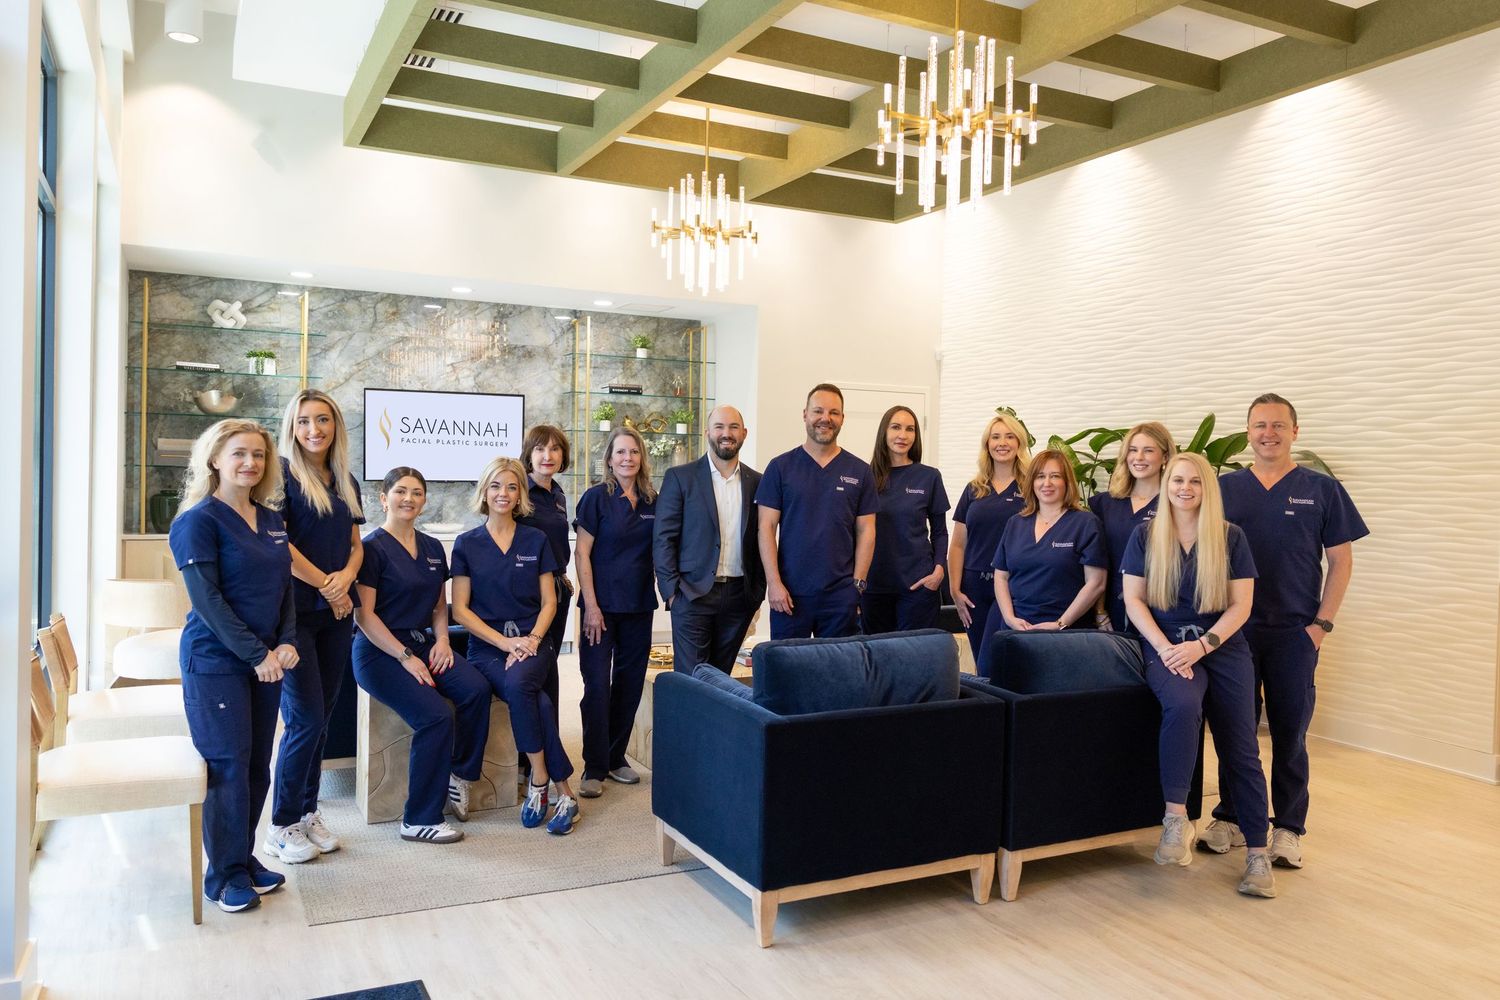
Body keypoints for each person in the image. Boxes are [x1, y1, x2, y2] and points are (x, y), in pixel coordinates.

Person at [1202, 394, 1368, 868]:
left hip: (1295, 632)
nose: (1268, 433)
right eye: (1259, 425)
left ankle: (1289, 828)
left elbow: (1341, 561)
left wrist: (1321, 625)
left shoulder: (1321, 490)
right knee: (1236, 729)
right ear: (1248, 432)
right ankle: (1231, 816)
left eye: (1278, 425)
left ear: (1296, 431)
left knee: (1289, 733)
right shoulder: (1224, 488)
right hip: (1233, 630)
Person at [1122, 451, 1276, 898]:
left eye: (1194, 481)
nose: (1184, 488)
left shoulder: (1230, 538)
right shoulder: (1146, 535)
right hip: (1166, 647)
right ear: (1166, 485)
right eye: (1176, 481)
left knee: (1241, 745)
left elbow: (1241, 605)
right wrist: (1168, 649)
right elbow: (1134, 601)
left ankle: (1257, 855)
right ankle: (1175, 821)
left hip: (1221, 647)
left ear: (1207, 488)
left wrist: (1203, 644)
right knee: (1183, 705)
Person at [168, 419, 297, 913]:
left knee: (254, 764)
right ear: (214, 459)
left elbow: (284, 587)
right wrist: (258, 654)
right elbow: (208, 602)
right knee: (227, 766)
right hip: (217, 661)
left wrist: (285, 643)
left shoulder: (270, 519)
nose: (250, 463)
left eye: (258, 455)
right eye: (239, 453)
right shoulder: (197, 521)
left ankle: (242, 859)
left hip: (265, 661)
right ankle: (222, 876)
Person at [352, 468, 490, 845]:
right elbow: (363, 615)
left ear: (424, 500)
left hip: (425, 644)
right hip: (380, 652)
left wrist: (443, 641)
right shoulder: (371, 548)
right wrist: (405, 656)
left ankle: (459, 773)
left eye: (416, 492)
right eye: (400, 491)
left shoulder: (431, 548)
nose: (408, 499)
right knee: (435, 717)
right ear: (383, 498)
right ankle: (418, 819)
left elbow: (436, 606)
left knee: (476, 688)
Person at [451, 456, 582, 835]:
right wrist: (505, 643)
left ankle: (539, 783)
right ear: (484, 492)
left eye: (511, 486)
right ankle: (557, 788)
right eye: (495, 486)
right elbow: (460, 609)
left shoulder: (535, 540)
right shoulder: (466, 544)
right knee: (535, 698)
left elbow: (550, 602)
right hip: (489, 648)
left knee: (523, 684)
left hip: (534, 641)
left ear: (521, 493)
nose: (503, 494)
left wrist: (533, 640)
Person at [264, 390, 363, 865]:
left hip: (337, 614)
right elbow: (279, 544)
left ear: (335, 425)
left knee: (322, 718)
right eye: (304, 421)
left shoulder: (344, 478)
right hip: (294, 615)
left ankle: (307, 811)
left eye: (323, 420)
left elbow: (355, 543)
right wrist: (328, 583)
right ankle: (281, 824)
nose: (314, 430)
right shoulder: (280, 475)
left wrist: (345, 579)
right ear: (293, 426)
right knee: (303, 719)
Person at [572, 428, 657, 799]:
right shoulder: (596, 498)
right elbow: (582, 554)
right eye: (620, 452)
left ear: (642, 458)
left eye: (634, 452)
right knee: (595, 685)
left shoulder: (654, 500)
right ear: (609, 459)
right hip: (600, 609)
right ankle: (593, 766)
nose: (627, 458)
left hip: (639, 605)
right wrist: (591, 605)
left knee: (630, 682)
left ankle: (615, 756)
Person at [756, 384, 878, 639]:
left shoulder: (860, 471)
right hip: (789, 595)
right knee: (789, 674)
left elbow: (867, 530)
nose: (826, 418)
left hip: (840, 597)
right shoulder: (780, 467)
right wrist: (774, 584)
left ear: (842, 418)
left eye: (834, 412)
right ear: (805, 414)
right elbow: (766, 528)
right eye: (818, 411)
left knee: (837, 674)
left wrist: (857, 585)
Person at [654, 405, 764, 674]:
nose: (726, 433)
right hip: (692, 594)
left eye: (733, 427)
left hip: (740, 596)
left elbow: (763, 537)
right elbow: (663, 537)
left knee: (721, 678)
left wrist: (757, 593)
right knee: (692, 678)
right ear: (707, 433)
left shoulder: (758, 481)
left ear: (744, 433)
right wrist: (671, 593)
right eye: (719, 427)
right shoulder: (680, 478)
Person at [983, 450, 1106, 670]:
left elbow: (1096, 583)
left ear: (1067, 481)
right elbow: (1001, 577)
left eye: (1055, 476)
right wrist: (1010, 618)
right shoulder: (1016, 523)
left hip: (1065, 632)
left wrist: (1060, 623)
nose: (1046, 483)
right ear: (1031, 482)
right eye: (1040, 476)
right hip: (1016, 629)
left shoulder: (1085, 523)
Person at [949, 413, 1031, 660]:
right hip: (973, 587)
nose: (1002, 443)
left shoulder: (1031, 487)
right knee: (979, 656)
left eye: (1009, 436)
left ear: (1019, 443)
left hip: (1013, 586)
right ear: (987, 444)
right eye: (995, 437)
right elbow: (958, 545)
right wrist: (954, 590)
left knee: (996, 658)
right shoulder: (975, 488)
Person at [865, 405, 949, 633]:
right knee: (878, 659)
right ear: (884, 432)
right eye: (896, 427)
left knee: (914, 659)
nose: (903, 435)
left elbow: (940, 531)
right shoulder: (865, 476)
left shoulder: (929, 477)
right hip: (873, 587)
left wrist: (939, 570)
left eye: (910, 429)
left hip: (918, 586)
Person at [1089, 422, 1175, 633]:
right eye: (1133, 450)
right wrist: (1099, 611)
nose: (1138, 458)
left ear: (1165, 457)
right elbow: (1097, 563)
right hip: (1112, 609)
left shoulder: (1175, 503)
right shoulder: (1105, 504)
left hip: (1162, 609)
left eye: (1148, 451)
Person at [517, 425, 572, 734]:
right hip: (529, 595)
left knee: (550, 665)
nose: (547, 456)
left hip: (557, 590)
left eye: (554, 449)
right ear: (529, 454)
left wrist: (562, 574)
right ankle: (530, 753)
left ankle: (549, 742)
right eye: (539, 449)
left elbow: (555, 543)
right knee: (532, 667)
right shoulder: (519, 491)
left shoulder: (558, 493)